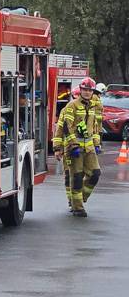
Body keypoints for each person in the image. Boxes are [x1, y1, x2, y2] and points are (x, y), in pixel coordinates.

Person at [60, 77, 102, 217]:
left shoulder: (93, 106)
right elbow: (67, 128)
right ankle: (77, 207)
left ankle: (79, 198)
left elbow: (95, 127)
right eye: (84, 89)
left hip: (89, 149)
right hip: (75, 149)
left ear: (92, 92)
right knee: (76, 177)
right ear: (80, 90)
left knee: (95, 174)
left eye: (89, 90)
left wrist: (97, 144)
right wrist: (72, 145)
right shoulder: (72, 106)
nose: (87, 92)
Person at [53, 85, 81, 210]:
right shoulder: (66, 110)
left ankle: (78, 199)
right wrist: (58, 149)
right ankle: (71, 200)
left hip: (84, 149)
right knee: (69, 175)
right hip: (69, 148)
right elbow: (59, 131)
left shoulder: (89, 109)